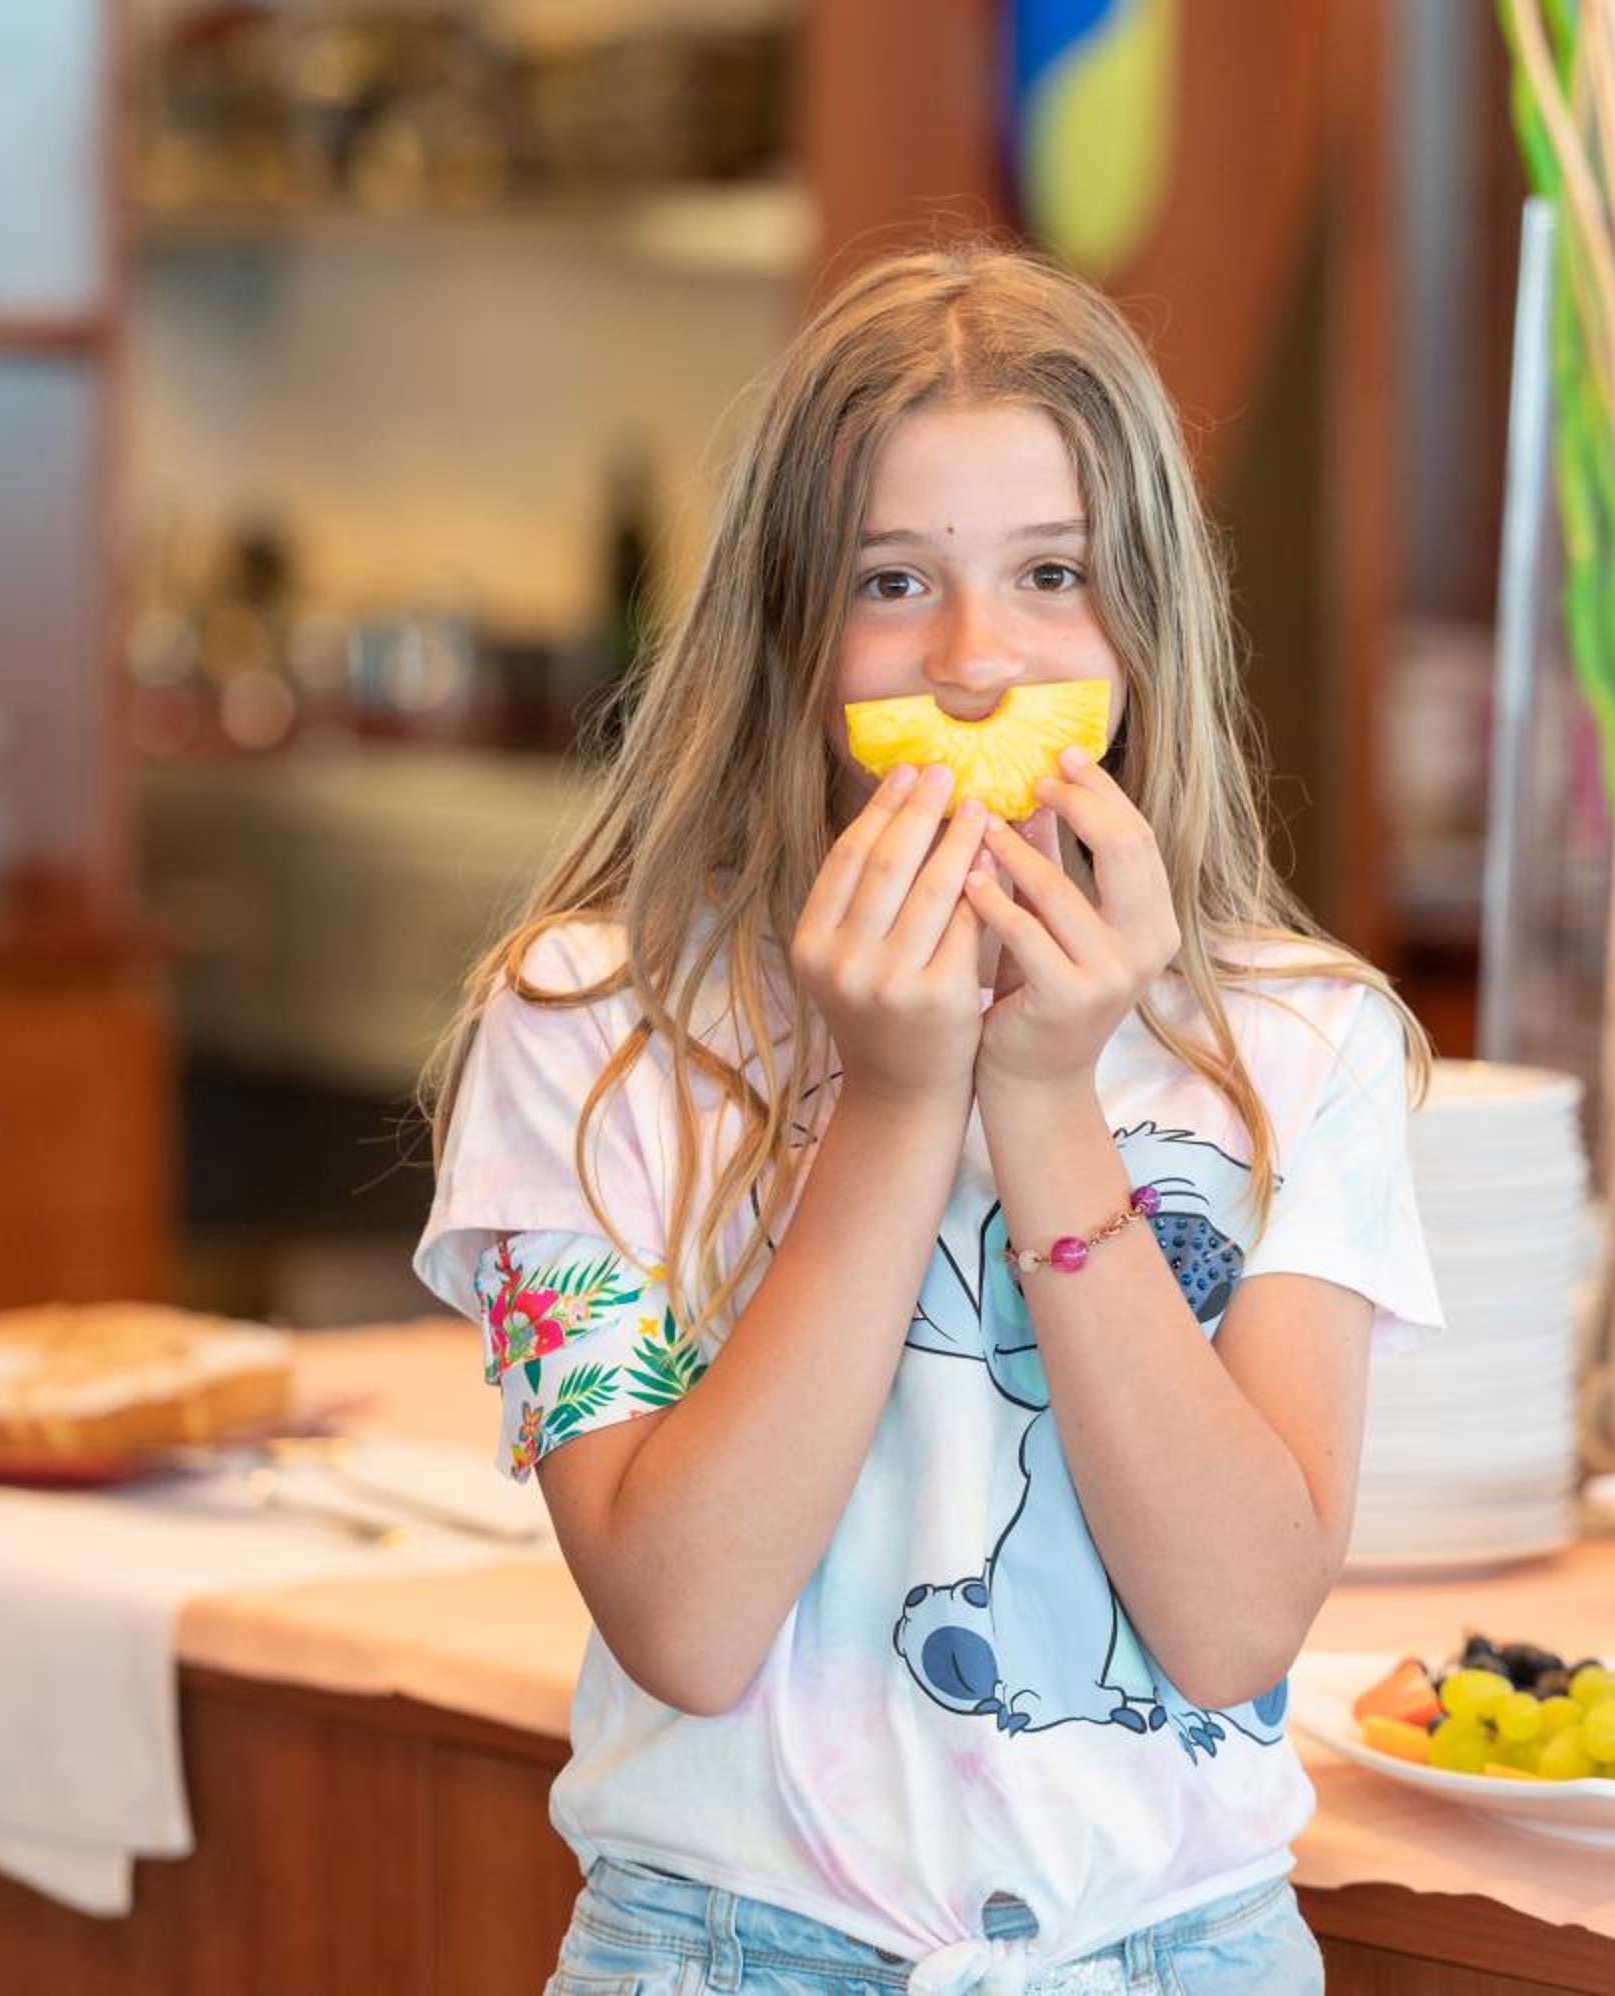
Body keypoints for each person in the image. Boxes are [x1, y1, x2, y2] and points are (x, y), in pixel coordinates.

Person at [415, 241, 1442, 1995]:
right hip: (725, 1954)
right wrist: (896, 1106)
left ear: (1146, 622)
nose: (977, 662)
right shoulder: (584, 1025)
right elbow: (683, 1621)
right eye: (895, 581)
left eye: (1052, 574)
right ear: (789, 633)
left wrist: (1043, 1098)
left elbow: (1234, 1626)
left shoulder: (1299, 1042)